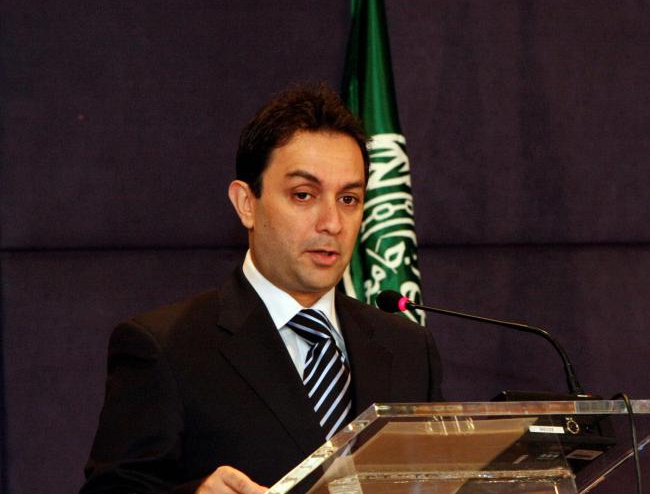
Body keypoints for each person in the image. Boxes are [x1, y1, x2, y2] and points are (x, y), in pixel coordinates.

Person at [80, 83, 442, 494]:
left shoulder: (409, 349)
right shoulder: (167, 347)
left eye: (349, 199)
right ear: (246, 204)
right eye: (303, 195)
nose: (332, 223)